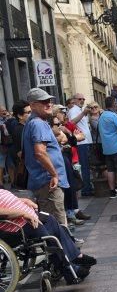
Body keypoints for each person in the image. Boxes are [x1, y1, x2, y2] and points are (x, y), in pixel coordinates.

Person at [0, 189, 95, 284]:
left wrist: (24, 201)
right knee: (48, 237)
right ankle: (69, 270)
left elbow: (8, 200)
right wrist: (24, 213)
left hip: (29, 217)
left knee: (51, 220)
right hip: (16, 227)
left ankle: (76, 256)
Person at [22, 89, 71, 227]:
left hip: (44, 180)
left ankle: (65, 245)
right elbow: (40, 152)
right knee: (57, 222)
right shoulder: (38, 123)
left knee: (53, 219)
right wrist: (54, 174)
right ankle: (64, 247)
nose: (48, 104)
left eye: (49, 101)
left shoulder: (34, 122)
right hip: (48, 182)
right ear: (32, 105)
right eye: (43, 102)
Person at [66, 93, 94, 197]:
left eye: (83, 99)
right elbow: (72, 122)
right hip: (81, 142)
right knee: (85, 166)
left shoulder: (79, 110)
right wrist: (83, 113)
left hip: (85, 141)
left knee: (87, 166)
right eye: (79, 99)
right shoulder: (74, 110)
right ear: (74, 99)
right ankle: (86, 189)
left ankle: (88, 186)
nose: (82, 100)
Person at [9, 102, 29, 189]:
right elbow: (21, 152)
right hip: (27, 169)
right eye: (28, 112)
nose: (31, 114)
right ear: (20, 116)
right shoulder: (19, 129)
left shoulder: (26, 127)